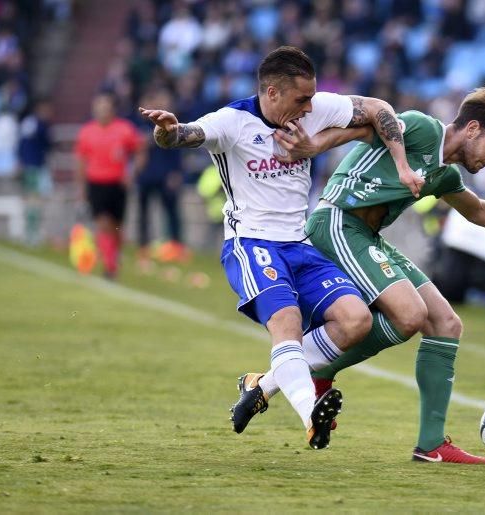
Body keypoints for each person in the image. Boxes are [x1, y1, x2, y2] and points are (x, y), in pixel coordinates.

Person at [246, 85, 485, 464]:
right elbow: (364, 127)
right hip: (338, 222)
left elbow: (478, 211)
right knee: (409, 315)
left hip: (367, 237)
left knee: (445, 323)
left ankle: (431, 444)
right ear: (472, 129)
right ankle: (316, 372)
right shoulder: (421, 128)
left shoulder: (444, 174)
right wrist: (314, 147)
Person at [139, 46, 420, 450]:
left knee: (356, 321)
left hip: (299, 244)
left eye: (312, 98)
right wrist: (167, 130)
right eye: (300, 99)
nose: (309, 108)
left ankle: (261, 384)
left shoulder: (315, 109)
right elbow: (184, 135)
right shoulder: (231, 122)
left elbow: (379, 110)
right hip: (252, 244)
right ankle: (311, 415)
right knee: (286, 323)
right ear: (272, 93)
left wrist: (385, 161)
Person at [74, 92, 144, 279]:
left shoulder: (125, 129)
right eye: (98, 107)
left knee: (116, 227)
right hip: (96, 183)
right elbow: (81, 161)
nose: (101, 110)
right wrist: (81, 189)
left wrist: (131, 173)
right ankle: (109, 266)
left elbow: (140, 151)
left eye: (105, 106)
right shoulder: (87, 132)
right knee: (102, 223)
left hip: (117, 184)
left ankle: (113, 257)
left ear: (112, 109)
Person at [135, 90, 185, 263]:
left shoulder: (174, 124)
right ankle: (144, 246)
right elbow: (137, 148)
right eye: (160, 100)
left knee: (172, 212)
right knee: (143, 212)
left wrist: (176, 172)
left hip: (166, 175)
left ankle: (176, 246)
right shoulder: (145, 123)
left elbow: (179, 151)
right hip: (147, 175)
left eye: (166, 101)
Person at [18, 99, 53, 245]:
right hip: (35, 166)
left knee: (34, 200)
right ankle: (32, 234)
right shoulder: (40, 125)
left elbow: (22, 144)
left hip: (30, 165)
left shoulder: (28, 123)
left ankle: (31, 232)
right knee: (35, 200)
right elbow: (48, 143)